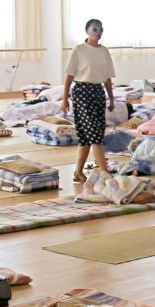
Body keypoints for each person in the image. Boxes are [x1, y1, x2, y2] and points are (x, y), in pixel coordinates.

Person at [63, 18, 117, 184]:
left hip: (98, 92)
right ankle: (106, 174)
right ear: (87, 31)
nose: (98, 32)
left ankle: (78, 172)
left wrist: (111, 98)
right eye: (95, 29)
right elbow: (69, 75)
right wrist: (65, 99)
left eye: (101, 29)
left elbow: (107, 78)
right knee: (94, 134)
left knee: (89, 135)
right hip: (82, 93)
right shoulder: (79, 50)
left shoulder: (104, 51)